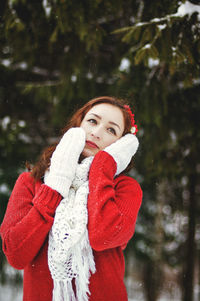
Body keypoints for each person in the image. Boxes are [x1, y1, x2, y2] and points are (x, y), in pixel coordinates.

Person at [0, 96, 143, 301]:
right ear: (78, 125)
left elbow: (103, 237)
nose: (96, 133)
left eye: (111, 130)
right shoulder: (30, 183)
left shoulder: (125, 189)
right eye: (92, 121)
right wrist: (56, 186)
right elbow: (16, 254)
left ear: (122, 145)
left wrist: (103, 166)